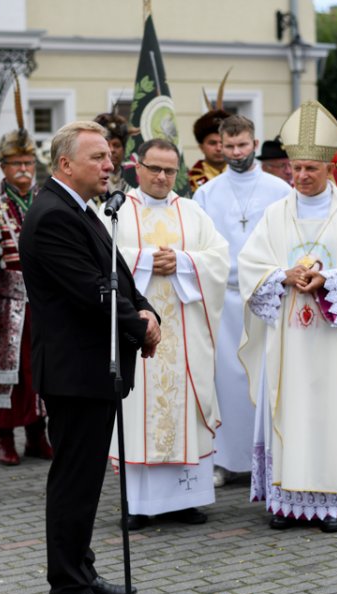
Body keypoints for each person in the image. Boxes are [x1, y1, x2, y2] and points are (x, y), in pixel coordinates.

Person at [19, 121, 160, 594]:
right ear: (64, 165)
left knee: (85, 480)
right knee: (74, 483)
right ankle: (70, 593)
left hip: (96, 367)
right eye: (99, 157)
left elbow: (117, 275)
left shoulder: (82, 209)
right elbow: (89, 292)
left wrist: (147, 310)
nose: (110, 165)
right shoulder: (53, 216)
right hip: (76, 370)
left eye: (109, 156)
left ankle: (82, 566)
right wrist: (138, 326)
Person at [238, 101, 337, 533]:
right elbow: (250, 266)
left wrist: (331, 280)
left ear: (331, 166)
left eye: (310, 169)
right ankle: (285, 503)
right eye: (294, 168)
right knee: (287, 409)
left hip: (333, 339)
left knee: (331, 414)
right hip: (287, 337)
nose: (301, 176)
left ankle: (332, 505)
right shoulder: (275, 215)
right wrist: (280, 276)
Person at [109, 138, 229, 530]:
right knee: (138, 409)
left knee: (183, 411)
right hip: (138, 336)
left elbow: (219, 259)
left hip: (185, 334)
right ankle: (138, 504)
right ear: (136, 166)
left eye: (169, 170)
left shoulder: (192, 213)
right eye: (154, 168)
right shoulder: (116, 210)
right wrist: (144, 260)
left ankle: (186, 500)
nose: (162, 177)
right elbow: (102, 258)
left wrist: (182, 261)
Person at [194, 114, 291, 488]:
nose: (236, 153)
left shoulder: (279, 189)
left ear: (254, 142)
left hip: (267, 297)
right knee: (225, 381)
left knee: (265, 379)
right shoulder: (207, 193)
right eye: (229, 146)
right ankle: (223, 460)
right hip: (225, 299)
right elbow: (202, 245)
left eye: (243, 145)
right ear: (220, 145)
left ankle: (266, 457)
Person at [0, 125, 52, 466]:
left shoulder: (47, 199)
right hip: (4, 304)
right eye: (15, 162)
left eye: (28, 162)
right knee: (5, 373)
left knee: (42, 372)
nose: (23, 169)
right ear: (2, 166)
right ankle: (5, 439)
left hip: (44, 304)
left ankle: (37, 435)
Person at [187, 106, 230, 194]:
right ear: (201, 147)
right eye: (212, 143)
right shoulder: (189, 181)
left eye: (223, 142)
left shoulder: (243, 175)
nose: (219, 148)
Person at [93, 112, 135, 194]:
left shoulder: (133, 177)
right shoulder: (91, 179)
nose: (111, 150)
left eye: (117, 145)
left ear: (124, 149)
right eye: (107, 145)